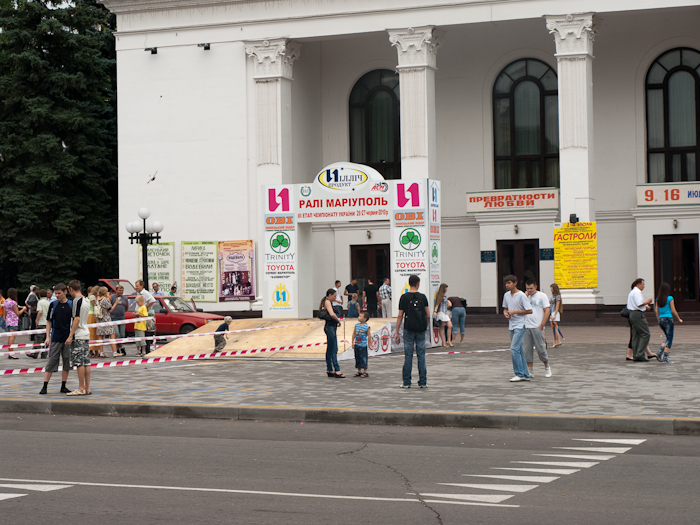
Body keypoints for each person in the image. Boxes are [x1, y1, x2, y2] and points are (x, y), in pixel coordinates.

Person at [394, 274, 430, 389]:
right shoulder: (423, 297)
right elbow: (428, 315)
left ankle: (406, 382)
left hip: (408, 328)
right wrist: (425, 326)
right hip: (420, 329)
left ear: (409, 283)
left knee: (408, 356)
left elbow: (400, 316)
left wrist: (396, 332)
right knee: (421, 356)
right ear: (418, 284)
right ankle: (423, 382)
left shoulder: (404, 297)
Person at [40, 283, 73, 395]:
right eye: (56, 293)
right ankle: (44, 386)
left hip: (67, 337)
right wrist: (47, 336)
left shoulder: (71, 304)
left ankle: (63, 385)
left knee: (67, 361)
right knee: (52, 361)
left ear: (65, 292)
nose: (57, 295)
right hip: (56, 337)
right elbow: (49, 321)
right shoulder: (53, 305)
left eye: (59, 293)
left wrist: (71, 336)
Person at [502, 275, 532, 382]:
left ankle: (519, 373)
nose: (507, 285)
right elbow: (505, 308)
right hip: (512, 325)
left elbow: (529, 310)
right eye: (506, 283)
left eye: (509, 283)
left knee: (514, 349)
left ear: (515, 283)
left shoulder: (521, 295)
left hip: (520, 325)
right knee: (518, 349)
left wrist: (515, 312)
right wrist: (506, 313)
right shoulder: (506, 295)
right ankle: (525, 374)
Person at [66, 280, 91, 395]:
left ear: (71, 289)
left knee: (79, 362)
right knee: (86, 361)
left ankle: (80, 388)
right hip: (86, 332)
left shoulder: (76, 300)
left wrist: (70, 335)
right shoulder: (86, 300)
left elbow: (76, 318)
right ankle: (87, 387)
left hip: (79, 333)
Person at [523, 280, 552, 378]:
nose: (529, 290)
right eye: (527, 288)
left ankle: (547, 366)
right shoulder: (525, 296)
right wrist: (525, 296)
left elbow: (547, 310)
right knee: (527, 350)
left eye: (531, 288)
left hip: (537, 326)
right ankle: (530, 371)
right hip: (526, 327)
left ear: (535, 286)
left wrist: (541, 325)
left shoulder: (542, 296)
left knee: (540, 349)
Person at [655, 282, 682, 364]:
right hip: (668, 319)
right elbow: (673, 310)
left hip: (661, 319)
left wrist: (658, 321)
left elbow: (656, 310)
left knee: (667, 337)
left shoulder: (658, 299)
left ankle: (659, 352)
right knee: (670, 338)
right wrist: (678, 318)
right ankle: (665, 357)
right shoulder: (670, 298)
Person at [627, 278, 653, 361]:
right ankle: (640, 354)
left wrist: (645, 305)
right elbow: (639, 304)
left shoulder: (632, 292)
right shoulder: (637, 292)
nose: (644, 286)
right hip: (638, 314)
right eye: (643, 284)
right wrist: (647, 302)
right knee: (645, 334)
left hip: (632, 313)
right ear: (638, 284)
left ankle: (636, 354)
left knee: (636, 335)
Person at [321, 288, 344, 378]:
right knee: (334, 348)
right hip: (330, 327)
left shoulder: (326, 302)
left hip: (328, 327)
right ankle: (337, 369)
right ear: (330, 295)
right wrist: (338, 320)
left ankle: (329, 368)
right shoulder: (327, 302)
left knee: (330, 349)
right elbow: (331, 314)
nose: (335, 298)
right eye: (334, 296)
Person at [4, 288, 27, 359]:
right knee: (12, 337)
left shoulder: (5, 301)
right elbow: (18, 313)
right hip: (13, 320)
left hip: (8, 319)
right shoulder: (13, 303)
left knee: (9, 336)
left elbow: (5, 311)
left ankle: (10, 352)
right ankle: (12, 353)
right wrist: (24, 309)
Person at [135, 280, 156, 353]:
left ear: (142, 286)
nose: (136, 287)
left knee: (146, 332)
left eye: (137, 286)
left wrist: (146, 307)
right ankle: (142, 349)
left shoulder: (145, 293)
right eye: (136, 286)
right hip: (139, 315)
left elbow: (153, 300)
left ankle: (146, 349)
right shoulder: (138, 293)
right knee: (141, 333)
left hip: (144, 315)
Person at [29, 290, 51, 359]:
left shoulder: (40, 302)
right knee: (46, 339)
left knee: (38, 339)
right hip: (48, 323)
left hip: (41, 322)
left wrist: (36, 319)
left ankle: (35, 353)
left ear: (39, 295)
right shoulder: (48, 302)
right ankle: (44, 354)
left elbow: (40, 311)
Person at [96, 286, 117, 357]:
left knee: (100, 336)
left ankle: (101, 352)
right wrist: (115, 303)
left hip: (99, 319)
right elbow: (110, 309)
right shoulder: (106, 299)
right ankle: (114, 352)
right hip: (106, 319)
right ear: (104, 292)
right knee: (112, 334)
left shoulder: (97, 299)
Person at [110, 285, 129, 356]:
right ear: (116, 290)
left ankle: (118, 348)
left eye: (122, 290)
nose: (121, 292)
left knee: (122, 334)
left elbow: (126, 307)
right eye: (119, 290)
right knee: (117, 334)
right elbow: (109, 307)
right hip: (113, 318)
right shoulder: (112, 297)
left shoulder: (125, 298)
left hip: (122, 318)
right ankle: (122, 347)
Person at [433, 283, 453, 347]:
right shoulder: (440, 295)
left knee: (450, 326)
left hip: (445, 312)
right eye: (446, 288)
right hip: (441, 312)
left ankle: (448, 340)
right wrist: (435, 311)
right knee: (442, 327)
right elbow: (437, 304)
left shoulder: (444, 295)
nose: (447, 289)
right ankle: (443, 342)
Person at [352, 312, 371, 378]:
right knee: (357, 358)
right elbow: (354, 334)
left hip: (363, 346)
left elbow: (369, 335)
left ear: (365, 319)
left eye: (360, 316)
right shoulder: (356, 325)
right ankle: (359, 371)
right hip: (357, 344)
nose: (358, 317)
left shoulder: (367, 326)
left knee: (363, 358)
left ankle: (365, 371)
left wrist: (369, 344)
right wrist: (352, 342)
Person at [87, 286, 100, 358]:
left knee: (91, 333)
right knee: (93, 334)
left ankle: (92, 351)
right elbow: (95, 306)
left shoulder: (89, 296)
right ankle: (94, 350)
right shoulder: (93, 297)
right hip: (92, 315)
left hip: (89, 315)